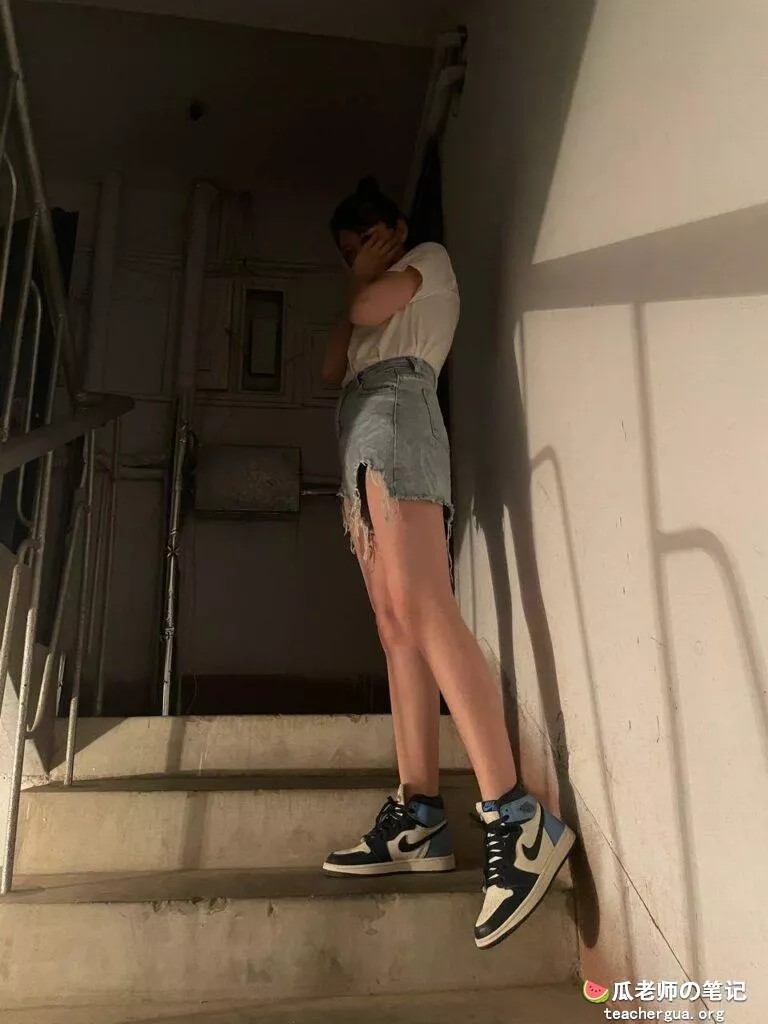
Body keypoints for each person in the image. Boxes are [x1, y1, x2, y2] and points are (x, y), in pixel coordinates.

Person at [320, 176, 574, 949]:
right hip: (363, 425)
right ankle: (420, 815)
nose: (356, 259)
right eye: (347, 252)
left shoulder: (427, 260)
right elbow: (330, 366)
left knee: (426, 609)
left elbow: (368, 309)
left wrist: (367, 280)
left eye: (362, 241)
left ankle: (518, 817)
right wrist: (358, 286)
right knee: (396, 626)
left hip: (398, 413)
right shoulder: (374, 287)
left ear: (392, 229)